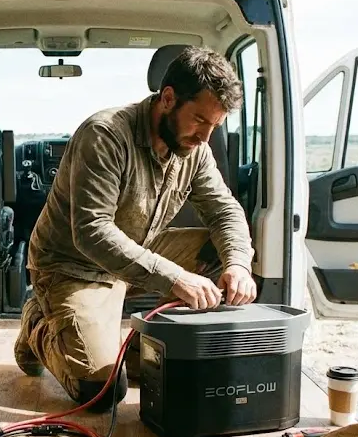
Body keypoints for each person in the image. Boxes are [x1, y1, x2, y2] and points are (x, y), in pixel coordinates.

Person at [15, 46, 256, 411]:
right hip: (72, 267)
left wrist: (238, 264)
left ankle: (154, 340)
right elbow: (92, 231)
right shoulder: (105, 135)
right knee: (102, 392)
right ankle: (38, 323)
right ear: (169, 98)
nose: (206, 137)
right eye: (199, 121)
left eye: (215, 127)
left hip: (137, 254)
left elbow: (224, 211)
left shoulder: (195, 150)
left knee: (219, 250)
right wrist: (175, 277)